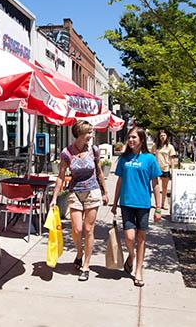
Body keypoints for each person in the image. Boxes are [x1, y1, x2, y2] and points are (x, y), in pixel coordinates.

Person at [50, 120, 108, 281]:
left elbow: (99, 172)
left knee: (89, 229)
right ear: (80, 134)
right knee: (77, 229)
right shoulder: (67, 153)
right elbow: (61, 176)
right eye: (89, 132)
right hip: (75, 192)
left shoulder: (94, 150)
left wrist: (105, 191)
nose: (91, 135)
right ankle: (79, 253)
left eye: (91, 132)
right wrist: (55, 197)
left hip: (92, 191)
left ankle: (86, 266)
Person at [111, 127, 161, 287]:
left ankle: (138, 270)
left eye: (134, 137)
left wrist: (158, 208)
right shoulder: (124, 159)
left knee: (141, 238)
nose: (130, 140)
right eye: (129, 138)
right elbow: (119, 181)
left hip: (143, 204)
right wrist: (114, 202)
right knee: (129, 237)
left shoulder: (150, 159)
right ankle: (131, 256)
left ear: (141, 139)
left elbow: (156, 184)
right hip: (126, 203)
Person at [151, 130, 177, 210]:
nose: (162, 137)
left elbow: (172, 159)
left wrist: (172, 170)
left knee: (164, 188)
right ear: (159, 137)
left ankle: (163, 203)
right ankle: (157, 204)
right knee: (156, 187)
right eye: (161, 135)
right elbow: (151, 156)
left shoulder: (170, 147)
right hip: (157, 169)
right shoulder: (155, 146)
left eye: (164, 135)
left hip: (165, 169)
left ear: (167, 137)